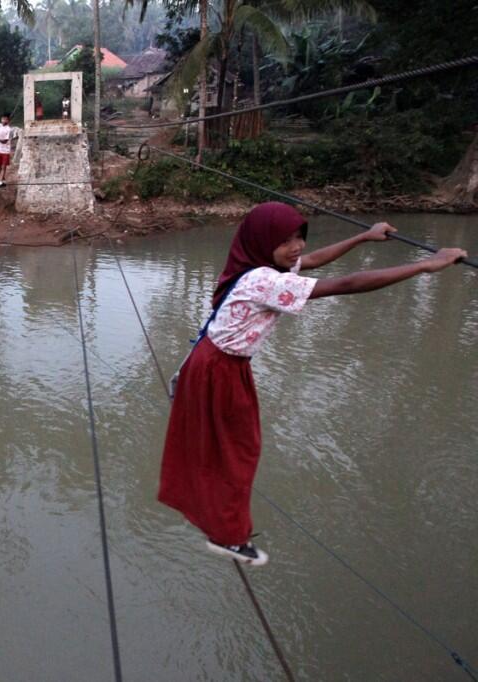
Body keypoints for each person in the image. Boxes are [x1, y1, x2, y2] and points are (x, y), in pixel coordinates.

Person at [158, 202, 468, 567]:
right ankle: (226, 535)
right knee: (238, 451)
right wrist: (427, 265)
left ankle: (216, 519)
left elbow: (316, 260)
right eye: (286, 240)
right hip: (219, 370)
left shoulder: (256, 266)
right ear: (263, 241)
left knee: (228, 448)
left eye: (300, 237)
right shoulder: (265, 281)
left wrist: (364, 237)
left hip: (218, 363)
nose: (298, 246)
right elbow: (346, 283)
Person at [0, 113, 19, 187]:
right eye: (2, 118)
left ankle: (0, 181)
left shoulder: (9, 129)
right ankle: (3, 180)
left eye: (5, 119)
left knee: (4, 166)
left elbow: (4, 141)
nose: (3, 120)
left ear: (8, 120)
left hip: (6, 150)